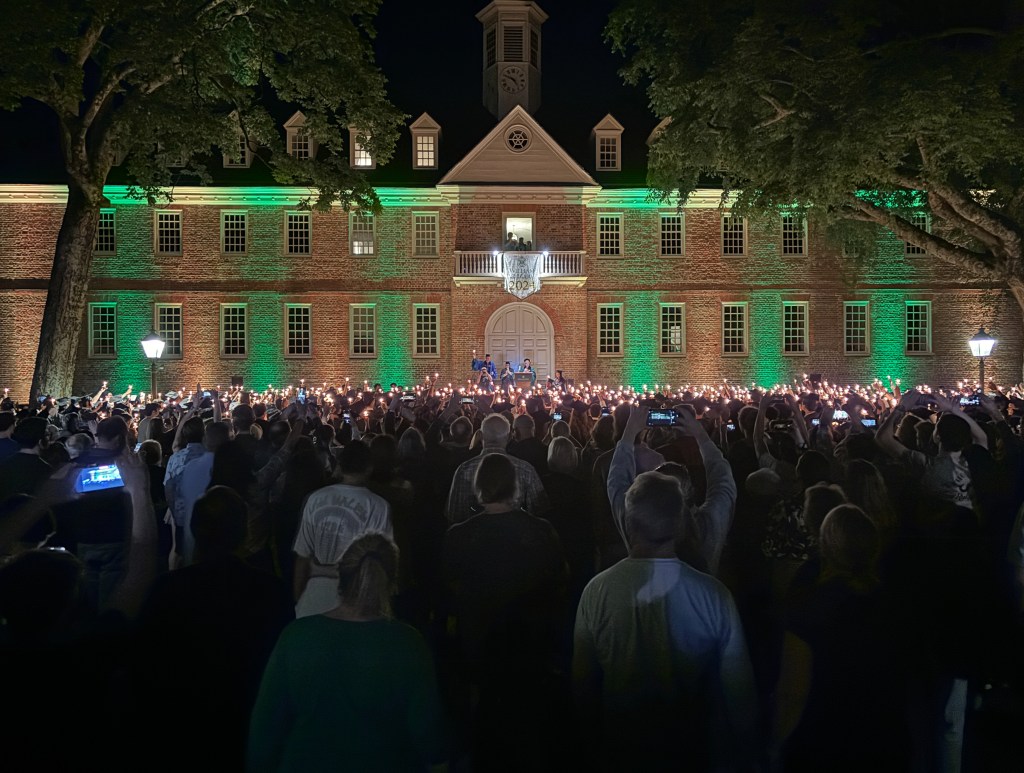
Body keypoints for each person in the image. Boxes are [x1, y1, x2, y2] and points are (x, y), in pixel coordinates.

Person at [573, 469, 757, 772]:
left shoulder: (598, 591)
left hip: (621, 745)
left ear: (629, 523)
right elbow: (739, 691)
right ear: (681, 524)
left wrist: (587, 746)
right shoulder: (712, 594)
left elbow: (583, 681)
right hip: (694, 747)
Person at [248, 534, 449, 773]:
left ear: (340, 576)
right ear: (392, 584)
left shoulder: (296, 636)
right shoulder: (408, 642)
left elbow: (263, 734)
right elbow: (429, 736)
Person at [292, 440, 392, 618]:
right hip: (356, 600)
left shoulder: (315, 498)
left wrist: (300, 599)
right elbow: (380, 561)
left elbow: (302, 555)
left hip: (314, 597)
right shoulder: (378, 506)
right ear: (369, 468)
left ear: (340, 466)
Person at [445, 413, 549, 524]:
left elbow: (454, 514)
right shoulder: (526, 470)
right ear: (509, 437)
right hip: (516, 536)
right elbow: (540, 510)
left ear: (480, 435)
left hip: (475, 537)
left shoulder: (464, 470)